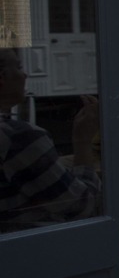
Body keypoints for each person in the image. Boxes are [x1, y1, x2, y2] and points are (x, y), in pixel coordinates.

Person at [0, 48, 101, 232]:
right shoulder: (19, 138)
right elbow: (82, 206)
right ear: (2, 78)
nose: (25, 75)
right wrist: (82, 141)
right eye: (19, 67)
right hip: (35, 250)